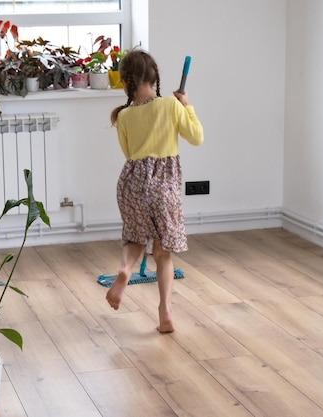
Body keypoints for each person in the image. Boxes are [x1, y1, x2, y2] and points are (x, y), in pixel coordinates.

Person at [106, 50, 204, 333]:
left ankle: (125, 269)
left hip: (133, 184)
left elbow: (129, 153)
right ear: (154, 78)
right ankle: (165, 312)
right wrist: (186, 106)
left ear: (126, 82)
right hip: (165, 187)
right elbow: (196, 137)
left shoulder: (124, 116)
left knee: (134, 238)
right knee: (162, 253)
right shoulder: (171, 106)